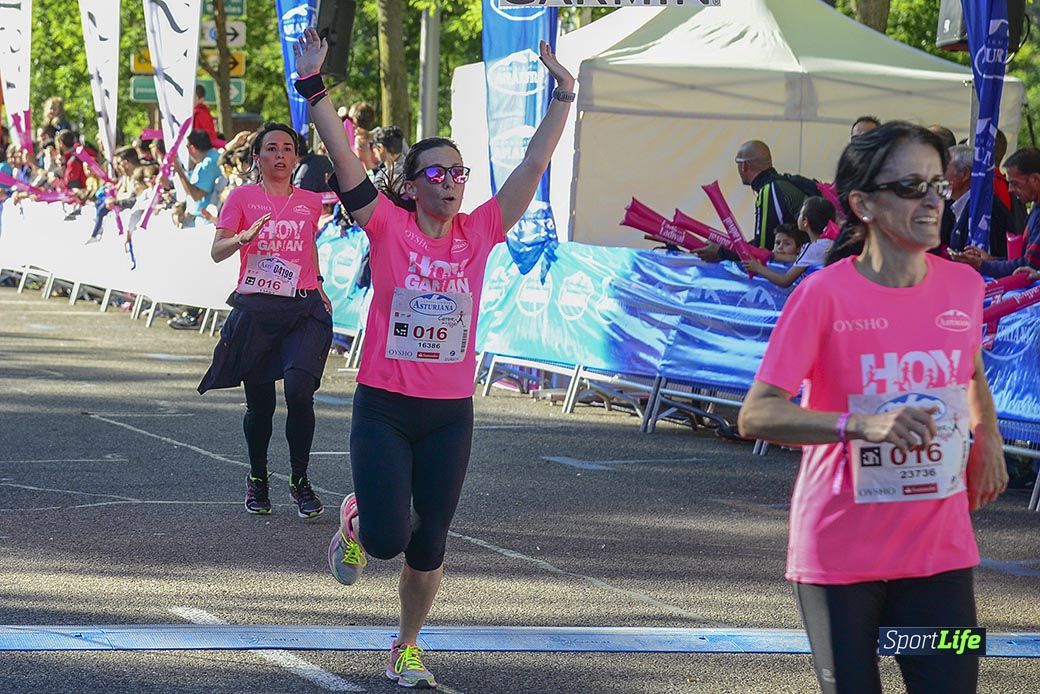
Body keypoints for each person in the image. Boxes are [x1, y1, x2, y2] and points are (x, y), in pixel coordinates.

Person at [293, 27, 575, 688]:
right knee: (389, 539)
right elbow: (341, 154)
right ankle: (357, 520)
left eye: (459, 174)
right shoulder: (385, 224)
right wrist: (313, 84)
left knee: (430, 542)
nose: (452, 184)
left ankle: (407, 643)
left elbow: (532, 167)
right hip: (386, 407)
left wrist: (564, 96)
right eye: (438, 174)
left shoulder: (479, 232)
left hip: (449, 412)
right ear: (413, 185)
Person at [738, 121, 1008, 694]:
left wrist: (989, 439)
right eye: (912, 186)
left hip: (939, 554)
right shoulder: (823, 293)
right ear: (862, 203)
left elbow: (969, 365)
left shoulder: (964, 285)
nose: (933, 200)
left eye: (938, 186)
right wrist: (861, 425)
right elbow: (757, 414)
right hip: (841, 556)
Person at [197, 122, 334, 520]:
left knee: (298, 391)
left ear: (296, 157)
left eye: (287, 149)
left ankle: (299, 479)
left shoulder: (309, 202)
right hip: (257, 309)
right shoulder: (241, 197)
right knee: (261, 406)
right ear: (257, 157)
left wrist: (319, 281)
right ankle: (258, 477)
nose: (279, 155)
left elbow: (307, 243)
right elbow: (216, 252)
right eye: (270, 148)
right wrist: (242, 238)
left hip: (302, 308)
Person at [698, 140, 817, 262]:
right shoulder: (779, 184)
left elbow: (761, 248)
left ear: (744, 166)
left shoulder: (769, 191)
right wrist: (724, 245)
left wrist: (721, 252)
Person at [953, 147, 1040, 277]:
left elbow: (1028, 265)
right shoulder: (1035, 211)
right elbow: (1023, 260)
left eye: (1015, 183)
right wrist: (990, 260)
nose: (1010, 189)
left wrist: (983, 264)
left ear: (1035, 179)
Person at [745, 197, 836, 288]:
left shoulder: (812, 249)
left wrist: (758, 268)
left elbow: (785, 280)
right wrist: (770, 255)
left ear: (805, 221)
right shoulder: (829, 243)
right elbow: (798, 258)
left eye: (800, 214)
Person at [941, 144, 1009, 257]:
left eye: (944, 169)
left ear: (964, 174)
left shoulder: (987, 209)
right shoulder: (959, 205)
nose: (939, 175)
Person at [170, 130, 223, 225]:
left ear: (192, 149)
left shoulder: (209, 163)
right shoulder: (208, 159)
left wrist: (179, 171)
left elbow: (196, 195)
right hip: (201, 219)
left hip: (205, 220)